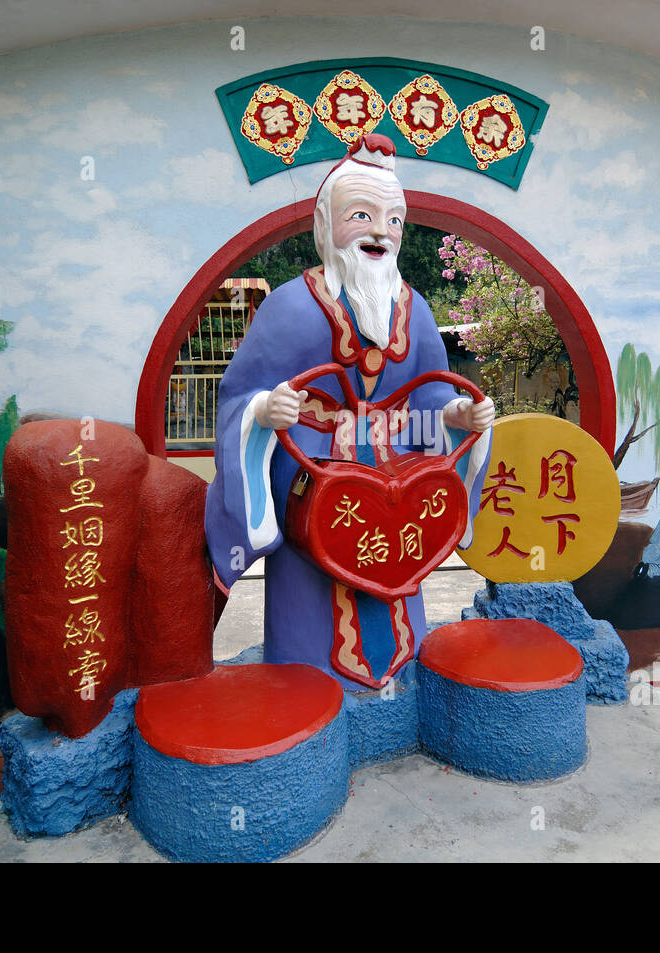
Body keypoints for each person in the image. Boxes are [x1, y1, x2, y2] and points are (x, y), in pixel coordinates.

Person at [205, 134, 494, 690]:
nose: (380, 232)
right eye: (360, 215)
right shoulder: (291, 305)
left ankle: (401, 674)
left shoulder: (415, 307)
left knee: (401, 564)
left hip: (398, 474)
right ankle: (305, 684)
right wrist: (267, 408)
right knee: (312, 579)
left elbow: (426, 397)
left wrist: (457, 414)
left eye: (393, 220)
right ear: (325, 225)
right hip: (312, 472)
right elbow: (241, 395)